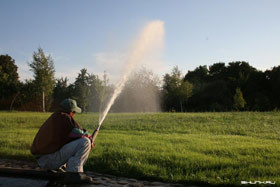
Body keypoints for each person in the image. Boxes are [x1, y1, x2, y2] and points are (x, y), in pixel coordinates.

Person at [31, 99, 95, 184]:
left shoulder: (57, 117)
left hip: (43, 160)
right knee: (85, 142)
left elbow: (68, 137)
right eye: (74, 112)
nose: (74, 114)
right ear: (71, 111)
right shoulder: (64, 118)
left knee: (78, 141)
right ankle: (74, 173)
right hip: (49, 161)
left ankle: (61, 169)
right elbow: (79, 134)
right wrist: (90, 138)